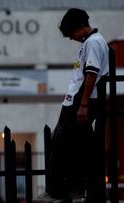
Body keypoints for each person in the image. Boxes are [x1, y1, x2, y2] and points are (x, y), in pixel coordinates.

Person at [43, 8, 109, 203]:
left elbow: (91, 74)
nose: (72, 38)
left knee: (62, 143)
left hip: (80, 101)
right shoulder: (90, 42)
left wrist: (83, 105)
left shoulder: (93, 42)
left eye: (72, 34)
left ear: (80, 27)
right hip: (75, 100)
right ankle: (74, 189)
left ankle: (58, 191)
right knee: (74, 145)